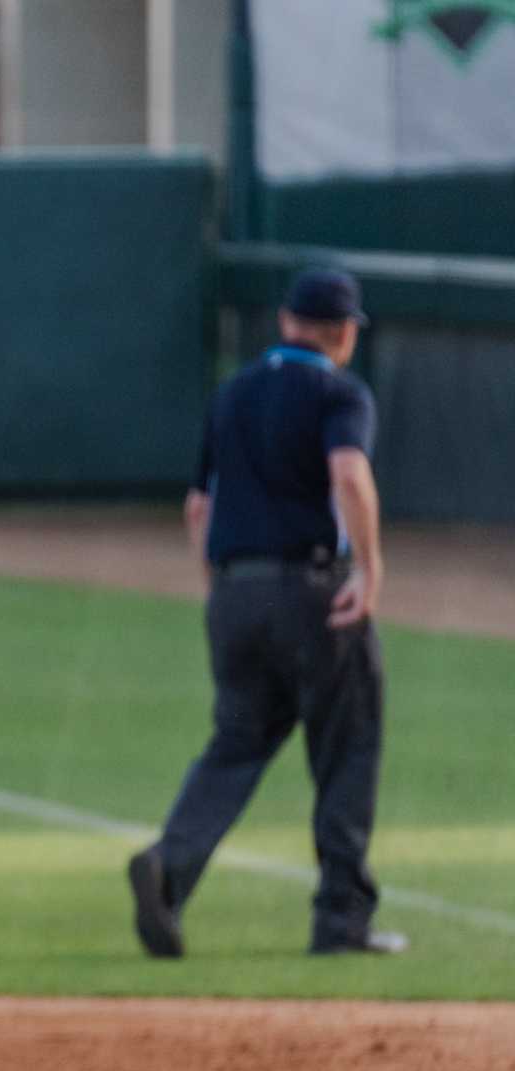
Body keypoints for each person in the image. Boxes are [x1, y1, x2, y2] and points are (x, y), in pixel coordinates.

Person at [130, 268, 401, 958]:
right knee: (347, 746)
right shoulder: (340, 392)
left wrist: (220, 586)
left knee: (238, 742)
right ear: (343, 334)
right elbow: (348, 474)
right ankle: (341, 920)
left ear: (285, 323)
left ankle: (170, 868)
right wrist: (368, 570)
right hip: (316, 593)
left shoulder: (232, 393)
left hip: (234, 593)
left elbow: (199, 507)